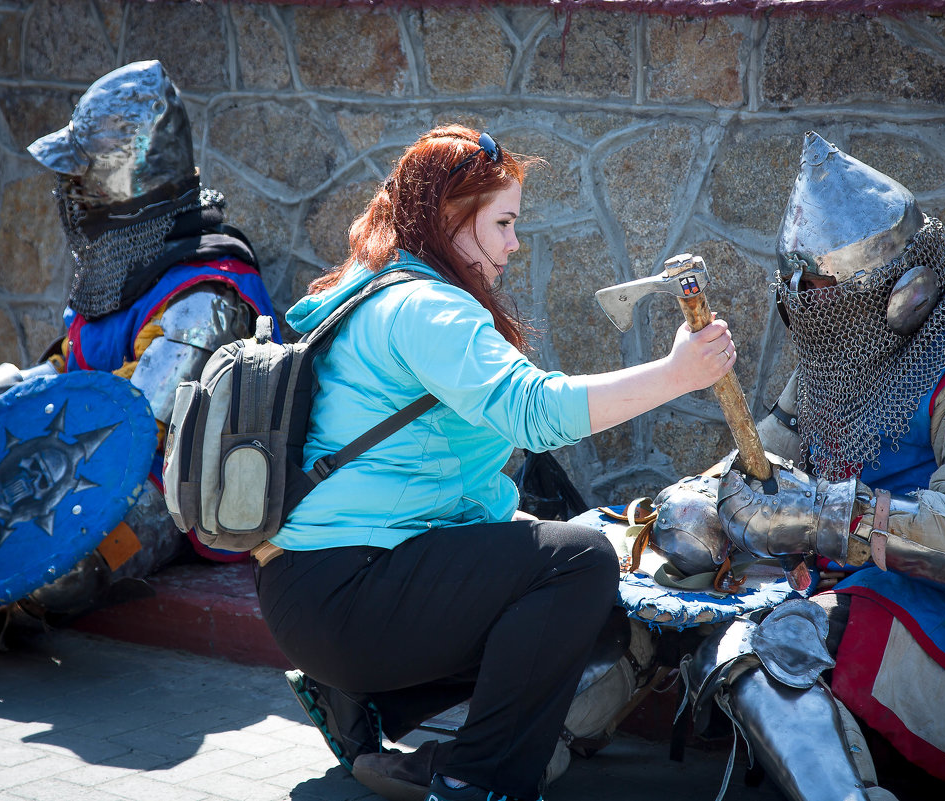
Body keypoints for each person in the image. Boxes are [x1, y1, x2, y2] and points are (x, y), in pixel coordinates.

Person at [254, 124, 738, 801]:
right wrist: (675, 374)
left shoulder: (374, 287)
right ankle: (474, 777)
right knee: (580, 563)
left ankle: (365, 703)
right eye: (503, 223)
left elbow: (429, 484)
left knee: (567, 582)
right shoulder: (427, 307)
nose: (514, 243)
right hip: (349, 596)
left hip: (313, 593)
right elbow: (535, 413)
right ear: (451, 217)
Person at [682, 132, 945, 801]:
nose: (810, 309)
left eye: (825, 291)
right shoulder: (842, 359)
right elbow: (768, 457)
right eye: (800, 290)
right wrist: (703, 498)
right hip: (876, 576)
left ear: (903, 287)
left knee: (774, 644)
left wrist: (812, 512)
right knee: (664, 589)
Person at [0, 60, 279, 628]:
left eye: (83, 176)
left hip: (172, 488)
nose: (70, 191)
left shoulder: (203, 298)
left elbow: (126, 423)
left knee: (62, 569)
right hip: (89, 456)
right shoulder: (125, 268)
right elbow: (70, 369)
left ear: (125, 178)